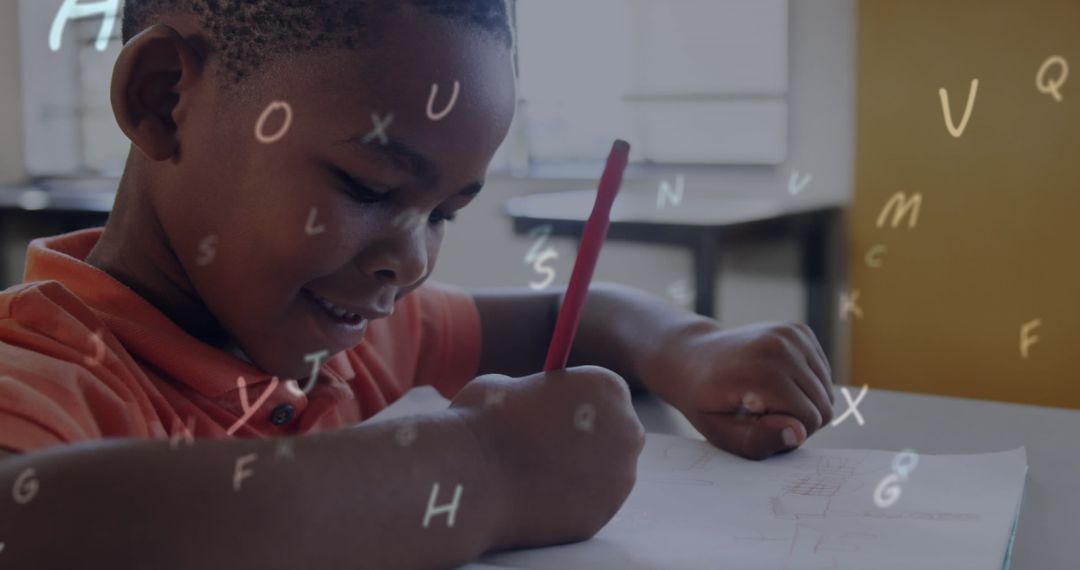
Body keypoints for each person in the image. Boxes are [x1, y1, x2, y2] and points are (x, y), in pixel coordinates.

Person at [0, 1, 834, 567]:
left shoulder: (336, 343)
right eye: (366, 189)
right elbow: (30, 518)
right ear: (165, 98)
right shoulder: (43, 373)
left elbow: (595, 315)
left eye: (444, 212)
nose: (414, 261)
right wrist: (480, 469)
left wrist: (691, 347)